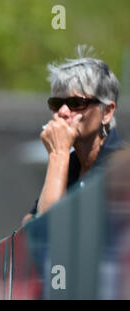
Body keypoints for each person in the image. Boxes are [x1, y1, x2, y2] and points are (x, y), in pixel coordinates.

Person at [23, 46, 124, 225]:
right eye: (56, 103)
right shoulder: (69, 165)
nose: (62, 112)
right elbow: (32, 225)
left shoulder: (121, 167)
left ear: (107, 112)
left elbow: (50, 230)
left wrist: (58, 153)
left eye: (76, 103)